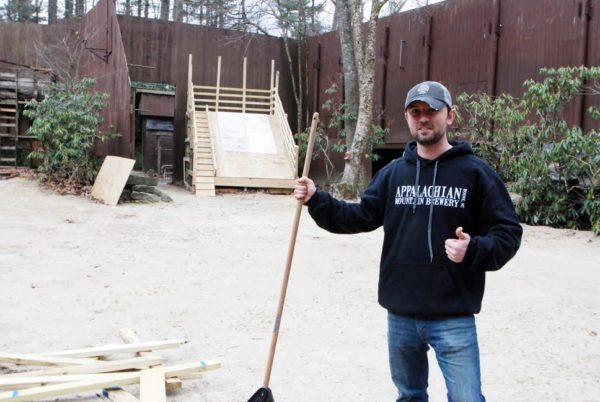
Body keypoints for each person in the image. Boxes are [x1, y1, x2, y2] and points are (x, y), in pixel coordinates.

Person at [294, 81, 522, 401]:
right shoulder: (393, 173)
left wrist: (474, 249)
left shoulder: (476, 173)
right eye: (416, 112)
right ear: (408, 118)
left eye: (432, 110)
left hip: (453, 315)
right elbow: (358, 217)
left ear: (450, 116)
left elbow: (508, 232)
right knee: (410, 395)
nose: (423, 118)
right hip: (401, 314)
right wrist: (317, 199)